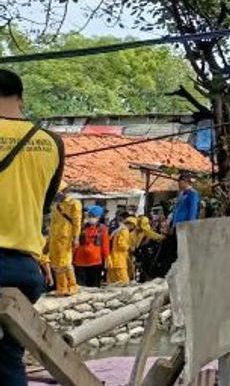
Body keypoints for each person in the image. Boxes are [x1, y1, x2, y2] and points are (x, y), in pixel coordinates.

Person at [0, 69, 63, 385]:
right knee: (8, 358)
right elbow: (44, 206)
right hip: (25, 272)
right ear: (21, 99)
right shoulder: (51, 143)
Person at [47, 182, 82, 296]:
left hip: (65, 237)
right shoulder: (56, 205)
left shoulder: (74, 203)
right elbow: (52, 223)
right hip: (54, 238)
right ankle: (61, 288)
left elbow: (77, 223)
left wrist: (76, 238)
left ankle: (72, 286)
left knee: (65, 263)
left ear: (65, 191)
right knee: (56, 264)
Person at [74, 205, 110, 288]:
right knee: (80, 286)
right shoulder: (80, 228)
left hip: (95, 262)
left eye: (93, 216)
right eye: (90, 216)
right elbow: (74, 244)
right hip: (80, 262)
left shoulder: (103, 229)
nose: (91, 218)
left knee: (94, 286)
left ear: (99, 217)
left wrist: (107, 258)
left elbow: (105, 245)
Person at [106, 215, 135, 285]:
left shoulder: (118, 230)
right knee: (124, 282)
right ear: (131, 224)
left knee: (111, 282)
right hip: (119, 260)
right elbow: (121, 245)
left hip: (113, 259)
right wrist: (129, 247)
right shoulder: (125, 231)